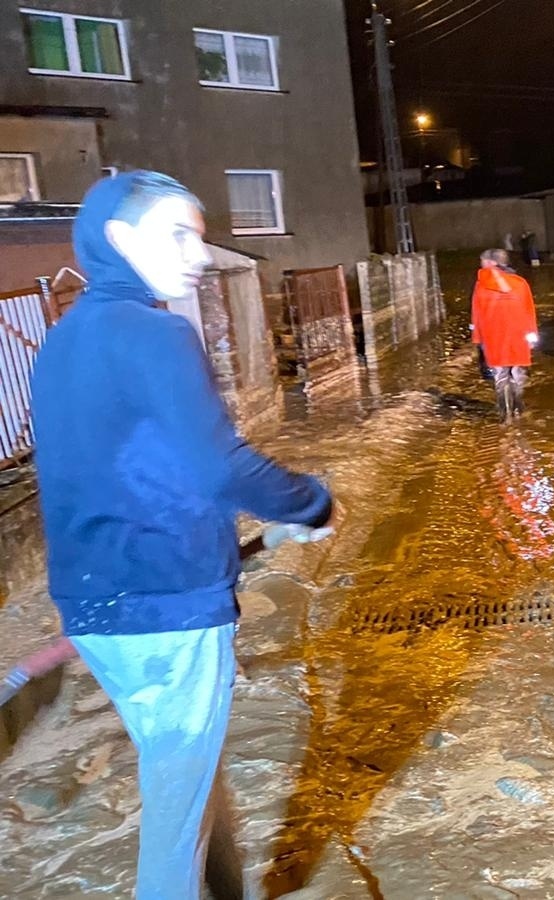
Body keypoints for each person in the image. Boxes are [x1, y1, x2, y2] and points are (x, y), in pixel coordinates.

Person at [30, 170, 339, 899]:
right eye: (177, 235)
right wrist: (311, 501)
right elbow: (217, 465)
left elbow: (132, 477)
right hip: (165, 611)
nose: (199, 258)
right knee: (175, 817)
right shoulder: (155, 333)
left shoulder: (63, 343)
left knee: (184, 776)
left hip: (99, 608)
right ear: (118, 238)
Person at [471, 248, 540, 421]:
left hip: (493, 336)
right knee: (517, 373)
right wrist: (532, 336)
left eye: (483, 261)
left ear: (491, 263)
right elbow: (529, 310)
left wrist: (478, 339)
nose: (481, 264)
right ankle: (519, 409)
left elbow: (477, 314)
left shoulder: (480, 285)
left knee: (500, 375)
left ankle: (504, 413)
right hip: (518, 334)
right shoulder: (520, 283)